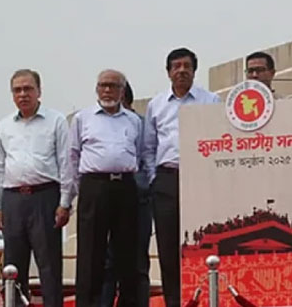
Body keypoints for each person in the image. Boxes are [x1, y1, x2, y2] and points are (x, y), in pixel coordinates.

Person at [143, 48, 221, 307]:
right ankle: (175, 302)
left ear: (194, 70)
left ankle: (205, 299)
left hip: (200, 179)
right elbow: (148, 147)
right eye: (176, 66)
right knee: (168, 247)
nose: (182, 71)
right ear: (168, 72)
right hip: (167, 180)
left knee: (202, 243)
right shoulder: (156, 105)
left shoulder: (211, 100)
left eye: (187, 66)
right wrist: (154, 179)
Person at [0, 69, 73, 306]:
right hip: (13, 199)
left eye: (28, 89)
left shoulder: (56, 121)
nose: (23, 94)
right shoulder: (5, 125)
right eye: (17, 90)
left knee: (49, 265)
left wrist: (65, 203)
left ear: (39, 91)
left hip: (45, 197)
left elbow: (66, 163)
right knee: (13, 266)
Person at [70, 70, 151, 307]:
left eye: (113, 86)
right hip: (94, 186)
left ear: (122, 91)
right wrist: (76, 192)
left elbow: (142, 153)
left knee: (128, 253)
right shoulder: (83, 118)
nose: (107, 90)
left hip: (125, 186)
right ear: (96, 89)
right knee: (90, 254)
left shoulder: (134, 121)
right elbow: (72, 157)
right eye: (103, 85)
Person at [100, 81, 152, 307]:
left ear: (125, 99)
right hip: (107, 200)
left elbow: (149, 159)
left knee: (138, 263)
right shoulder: (96, 122)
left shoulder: (141, 125)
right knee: (108, 263)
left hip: (138, 201)